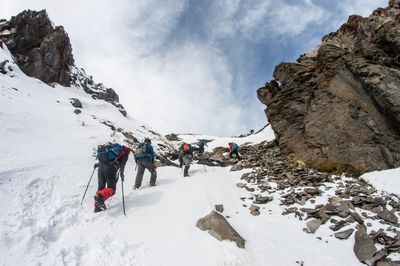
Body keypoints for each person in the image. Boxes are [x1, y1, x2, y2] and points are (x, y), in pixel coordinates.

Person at [94, 143, 130, 213]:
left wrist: (97, 164)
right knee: (112, 189)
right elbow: (122, 165)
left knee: (101, 188)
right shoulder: (125, 153)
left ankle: (97, 207)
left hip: (101, 167)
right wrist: (122, 173)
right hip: (110, 169)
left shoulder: (111, 150)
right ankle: (100, 197)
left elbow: (105, 159)